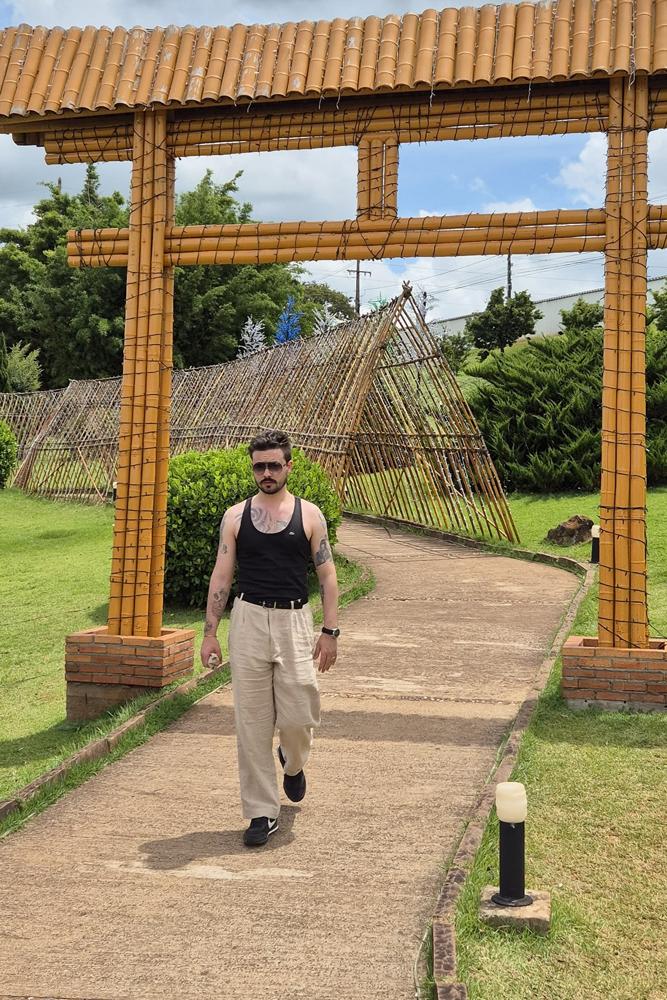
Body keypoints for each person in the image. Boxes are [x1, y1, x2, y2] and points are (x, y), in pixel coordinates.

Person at [200, 429, 340, 847]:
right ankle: (261, 812)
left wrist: (330, 631)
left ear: (288, 467)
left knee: (300, 713)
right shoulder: (236, 517)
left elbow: (328, 575)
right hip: (248, 620)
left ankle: (293, 764)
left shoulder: (310, 515)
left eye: (273, 465)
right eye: (259, 465)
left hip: (295, 622)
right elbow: (222, 576)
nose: (266, 472)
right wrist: (210, 634)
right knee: (252, 724)